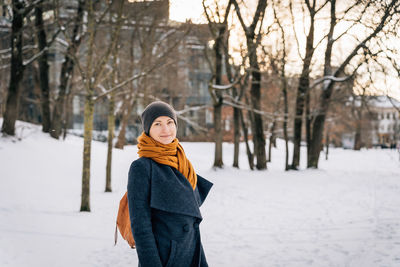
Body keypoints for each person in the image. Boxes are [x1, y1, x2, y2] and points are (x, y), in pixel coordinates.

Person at [127, 101, 213, 267]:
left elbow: (190, 221)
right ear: (148, 129)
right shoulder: (142, 167)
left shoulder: (182, 162)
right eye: (157, 124)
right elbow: (141, 226)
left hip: (192, 252)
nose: (165, 129)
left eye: (169, 122)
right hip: (164, 258)